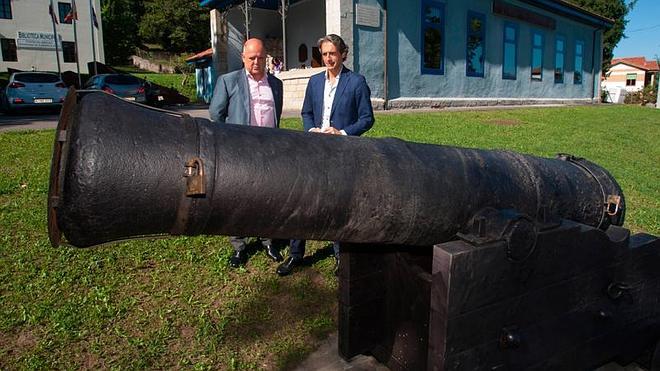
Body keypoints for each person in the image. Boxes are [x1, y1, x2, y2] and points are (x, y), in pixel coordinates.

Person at [276, 34, 375, 276]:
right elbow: (306, 111)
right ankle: (296, 253)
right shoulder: (315, 81)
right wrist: (311, 130)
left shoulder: (356, 82)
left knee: (338, 203)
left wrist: (341, 132)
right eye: (324, 54)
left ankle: (341, 255)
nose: (328, 58)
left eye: (332, 53)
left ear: (342, 54)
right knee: (303, 198)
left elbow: (367, 118)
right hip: (315, 148)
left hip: (341, 151)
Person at [209, 38, 285, 268]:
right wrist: (231, 140)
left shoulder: (276, 84)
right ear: (243, 57)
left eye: (261, 58)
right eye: (252, 57)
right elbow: (216, 114)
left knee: (268, 197)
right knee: (238, 198)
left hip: (269, 152)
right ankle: (239, 247)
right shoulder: (228, 81)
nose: (256, 62)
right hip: (240, 152)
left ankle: (268, 241)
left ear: (266, 59)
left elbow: (277, 115)